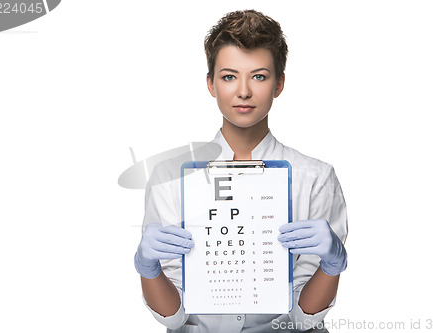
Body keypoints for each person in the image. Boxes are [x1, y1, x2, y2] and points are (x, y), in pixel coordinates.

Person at [134, 9, 348, 333]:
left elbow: (304, 319)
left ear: (279, 84)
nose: (244, 91)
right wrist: (148, 270)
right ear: (211, 83)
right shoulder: (170, 179)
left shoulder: (315, 178)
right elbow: (175, 316)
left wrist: (331, 266)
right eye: (229, 76)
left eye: (259, 76)